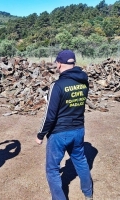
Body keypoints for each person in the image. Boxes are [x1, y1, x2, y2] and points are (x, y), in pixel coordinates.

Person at [36, 50, 93, 200]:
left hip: (59, 133)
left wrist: (40, 134)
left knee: (52, 169)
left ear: (59, 63)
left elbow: (50, 115)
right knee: (80, 160)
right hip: (78, 129)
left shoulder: (58, 85)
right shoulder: (83, 82)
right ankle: (88, 194)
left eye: (56, 62)